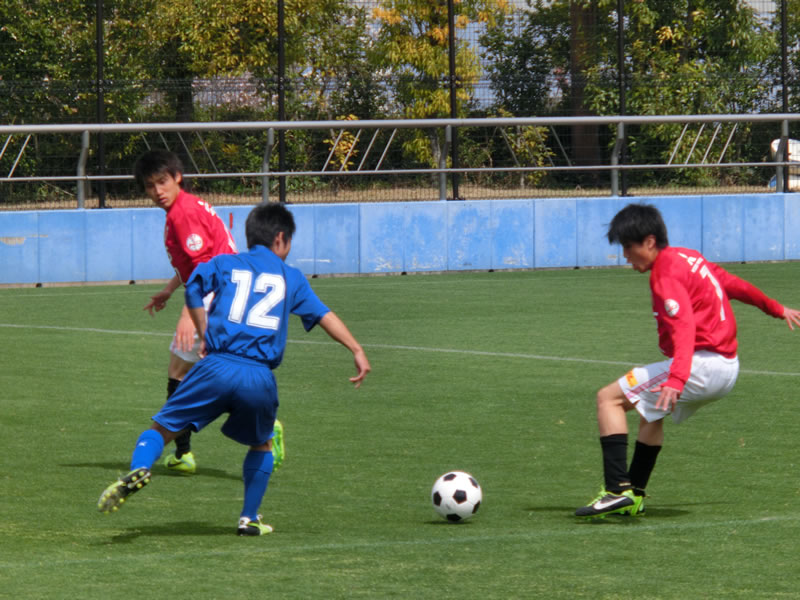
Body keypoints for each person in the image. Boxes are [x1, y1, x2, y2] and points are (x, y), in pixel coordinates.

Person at [98, 202, 371, 535]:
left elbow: (193, 287)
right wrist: (356, 349)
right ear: (281, 239)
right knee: (263, 444)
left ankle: (139, 468)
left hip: (215, 366)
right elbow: (324, 316)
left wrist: (203, 331)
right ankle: (248, 519)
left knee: (163, 429)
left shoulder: (225, 263)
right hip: (258, 376)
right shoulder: (292, 278)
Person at [575, 203, 800, 518]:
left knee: (608, 399)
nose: (625, 255)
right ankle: (634, 494)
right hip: (727, 367)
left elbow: (683, 326)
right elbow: (733, 284)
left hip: (701, 366)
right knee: (650, 412)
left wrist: (677, 378)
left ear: (649, 242)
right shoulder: (689, 257)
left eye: (628, 246)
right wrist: (776, 308)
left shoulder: (664, 274)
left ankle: (615, 490)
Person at [134, 149, 284, 475]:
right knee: (200, 370)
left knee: (190, 373)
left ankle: (258, 430)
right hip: (223, 291)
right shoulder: (187, 207)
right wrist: (169, 290)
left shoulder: (182, 214)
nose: (157, 191)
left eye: (162, 181)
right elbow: (192, 263)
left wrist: (188, 314)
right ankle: (189, 450)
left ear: (177, 177)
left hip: (214, 295)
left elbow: (205, 266)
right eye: (150, 185)